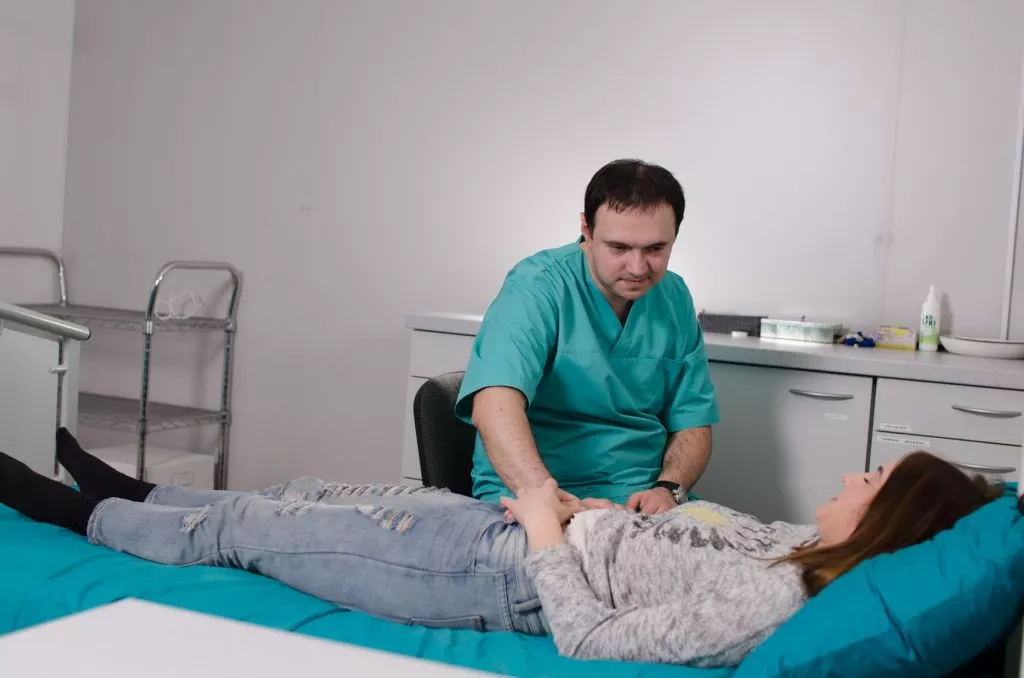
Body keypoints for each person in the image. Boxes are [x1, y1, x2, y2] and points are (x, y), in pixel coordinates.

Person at [0, 429, 1001, 668]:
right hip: (527, 528)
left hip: (495, 573)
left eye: (875, 481)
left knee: (255, 536)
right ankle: (132, 489)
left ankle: (62, 512)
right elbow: (676, 536)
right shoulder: (794, 547)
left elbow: (590, 640)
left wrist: (548, 532)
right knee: (299, 493)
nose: (855, 476)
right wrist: (592, 508)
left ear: (885, 525)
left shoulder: (777, 603)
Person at [455, 159, 718, 514]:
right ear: (587, 229)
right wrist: (546, 501)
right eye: (619, 248)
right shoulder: (536, 288)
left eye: (655, 249)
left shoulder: (674, 296)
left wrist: (668, 489)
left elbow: (693, 422)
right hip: (538, 493)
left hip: (642, 503)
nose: (638, 268)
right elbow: (493, 405)